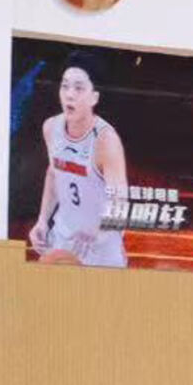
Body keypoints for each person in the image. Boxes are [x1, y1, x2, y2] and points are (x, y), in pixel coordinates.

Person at [28, 57, 129, 267]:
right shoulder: (51, 127)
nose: (69, 94)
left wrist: (98, 237)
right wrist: (42, 220)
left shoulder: (106, 140)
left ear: (94, 97)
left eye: (78, 88)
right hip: (63, 238)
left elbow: (120, 203)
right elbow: (54, 174)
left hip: (100, 248)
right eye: (65, 86)